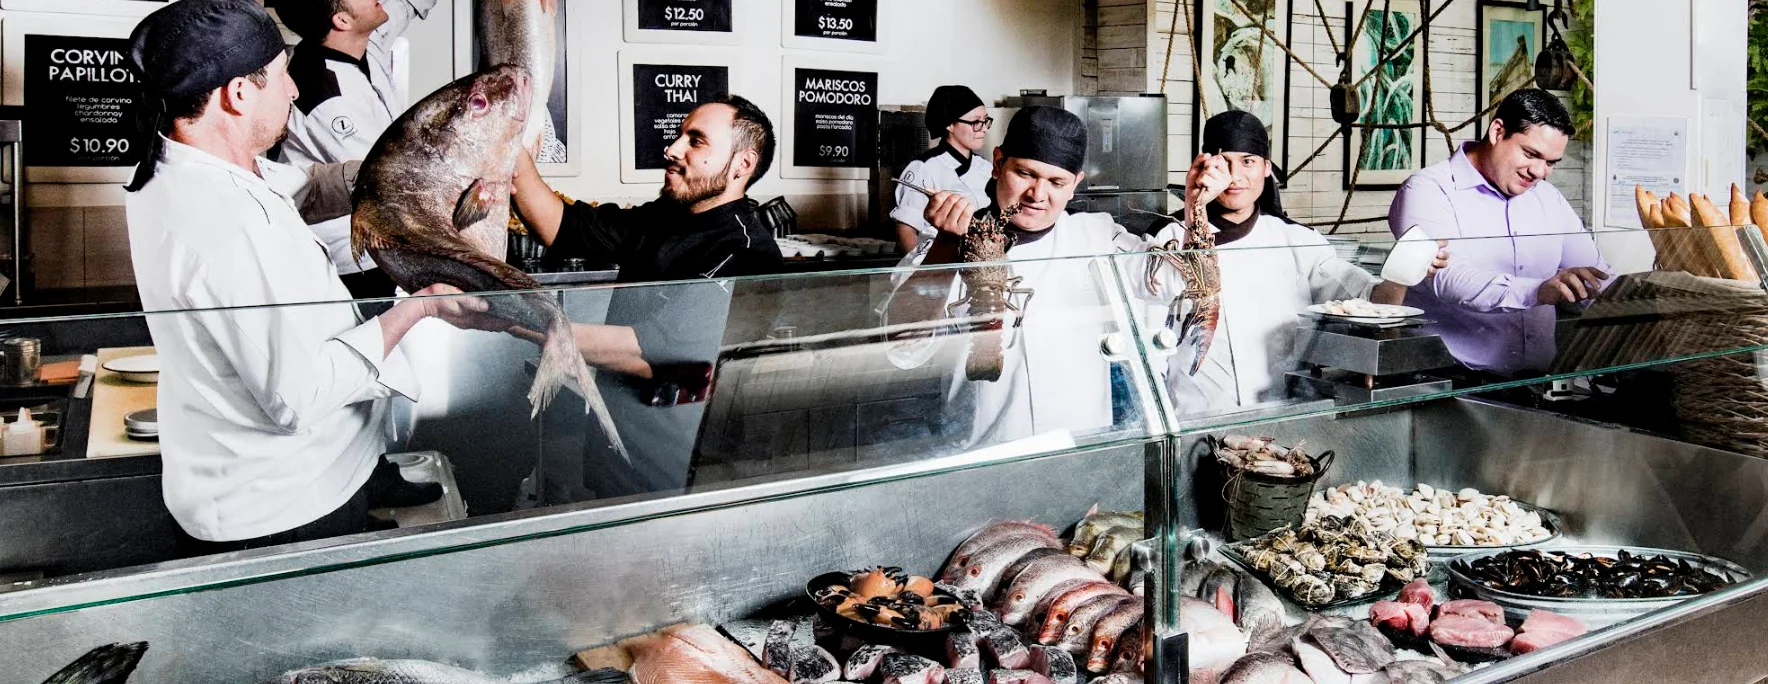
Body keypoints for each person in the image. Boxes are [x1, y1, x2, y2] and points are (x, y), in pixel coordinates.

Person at [123, 0, 492, 552]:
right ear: (237, 94)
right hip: (284, 508)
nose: (295, 91)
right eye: (279, 77)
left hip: (286, 478)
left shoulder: (198, 169)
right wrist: (418, 308)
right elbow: (299, 395)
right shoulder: (224, 226)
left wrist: (407, 166)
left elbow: (305, 187)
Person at [509, 95, 783, 499]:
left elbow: (650, 351)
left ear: (743, 164)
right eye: (678, 136)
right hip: (615, 451)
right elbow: (564, 228)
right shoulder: (662, 217)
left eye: (696, 140)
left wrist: (508, 314)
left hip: (681, 472)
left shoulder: (747, 252)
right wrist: (507, 146)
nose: (672, 148)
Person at [882, 106, 1166, 448]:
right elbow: (903, 350)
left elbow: (1171, 286)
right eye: (1026, 173)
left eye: (1056, 182)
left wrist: (1198, 206)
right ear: (998, 163)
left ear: (1075, 185)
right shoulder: (945, 239)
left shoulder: (1099, 236)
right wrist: (946, 245)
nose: (1038, 194)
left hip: (1080, 452)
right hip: (983, 453)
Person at [1165, 111, 1448, 414]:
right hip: (1196, 415)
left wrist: (1406, 268)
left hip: (1285, 415)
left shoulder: (1299, 242)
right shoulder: (1170, 239)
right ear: (1205, 166)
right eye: (1224, 163)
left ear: (1266, 168)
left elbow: (1375, 302)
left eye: (1248, 162)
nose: (1235, 177)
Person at [1389, 88, 1610, 376]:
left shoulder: (1549, 199)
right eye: (1531, 154)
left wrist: (1662, 292)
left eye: (1551, 162)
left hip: (1536, 384)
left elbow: (1597, 276)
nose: (1540, 171)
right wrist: (1538, 290)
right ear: (1497, 131)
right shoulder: (1428, 190)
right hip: (1448, 382)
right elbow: (1446, 278)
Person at [269, 0, 437, 300]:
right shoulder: (324, 94)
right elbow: (392, 177)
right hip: (350, 270)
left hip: (378, 253)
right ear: (342, 20)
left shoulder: (362, 41)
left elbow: (409, 4)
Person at [891, 85, 995, 254]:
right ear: (950, 125)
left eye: (986, 120)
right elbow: (906, 230)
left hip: (980, 264)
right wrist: (924, 273)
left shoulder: (986, 167)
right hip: (941, 261)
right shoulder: (923, 168)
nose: (983, 128)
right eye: (976, 122)